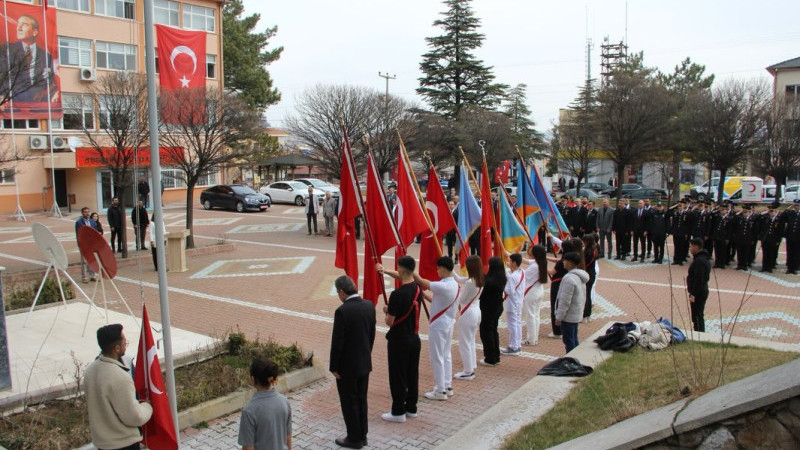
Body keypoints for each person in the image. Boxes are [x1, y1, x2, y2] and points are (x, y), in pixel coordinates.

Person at [84, 324, 152, 450]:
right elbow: (134, 417)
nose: (126, 344)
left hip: (102, 444)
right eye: (125, 342)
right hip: (123, 443)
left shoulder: (90, 371)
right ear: (116, 348)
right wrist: (148, 406)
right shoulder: (120, 377)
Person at [329, 276, 375, 449]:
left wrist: (334, 366)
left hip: (347, 367)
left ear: (342, 291)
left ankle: (354, 438)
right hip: (364, 363)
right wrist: (366, 354)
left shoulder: (342, 311)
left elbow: (338, 342)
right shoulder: (369, 306)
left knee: (349, 401)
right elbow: (371, 335)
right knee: (362, 399)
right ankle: (363, 435)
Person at [376, 256, 421, 423]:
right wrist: (385, 271)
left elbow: (390, 321)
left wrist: (387, 311)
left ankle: (398, 411)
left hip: (399, 341)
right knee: (412, 374)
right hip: (414, 339)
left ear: (401, 269)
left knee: (397, 376)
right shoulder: (417, 289)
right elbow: (402, 276)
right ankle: (411, 408)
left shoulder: (396, 294)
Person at [412, 256, 459, 401]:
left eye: (438, 268)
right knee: (446, 355)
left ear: (444, 269)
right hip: (448, 322)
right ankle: (447, 385)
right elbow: (439, 300)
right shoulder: (454, 284)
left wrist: (411, 269)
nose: (437, 271)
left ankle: (440, 390)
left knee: (437, 357)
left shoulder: (443, 285)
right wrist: (424, 296)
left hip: (439, 325)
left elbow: (421, 280)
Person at [1, 14, 57, 105]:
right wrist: (2, 96)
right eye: (18, 24)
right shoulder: (8, 51)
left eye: (24, 25)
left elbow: (51, 82)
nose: (18, 28)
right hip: (12, 105)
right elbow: (2, 75)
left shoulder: (46, 56)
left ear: (34, 32)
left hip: (39, 106)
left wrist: (55, 93)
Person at [238, 358, 292, 450]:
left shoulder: (249, 411)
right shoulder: (285, 402)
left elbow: (248, 448)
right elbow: (288, 438)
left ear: (252, 379)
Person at [451, 255, 483, 380]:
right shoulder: (478, 279)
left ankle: (468, 371)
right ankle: (471, 365)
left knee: (465, 343)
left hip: (468, 313)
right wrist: (451, 269)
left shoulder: (470, 283)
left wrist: (457, 290)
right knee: (470, 341)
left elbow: (462, 299)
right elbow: (458, 278)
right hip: (476, 311)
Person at [554, 252, 589, 353]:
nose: (563, 262)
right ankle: (576, 359)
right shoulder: (580, 276)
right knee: (573, 338)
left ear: (569, 263)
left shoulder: (569, 278)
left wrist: (559, 317)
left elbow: (564, 300)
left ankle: (572, 362)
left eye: (565, 260)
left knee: (569, 341)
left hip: (568, 316)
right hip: (576, 313)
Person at [478, 256, 506, 366]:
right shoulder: (501, 278)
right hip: (497, 307)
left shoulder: (490, 282)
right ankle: (496, 356)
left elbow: (482, 294)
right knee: (493, 331)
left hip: (488, 309)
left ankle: (490, 357)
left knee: (486, 332)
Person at [521, 244, 548, 345]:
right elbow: (526, 261)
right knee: (536, 315)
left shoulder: (535, 267)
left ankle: (531, 339)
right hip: (539, 291)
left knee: (530, 315)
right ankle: (534, 338)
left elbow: (523, 275)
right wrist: (510, 255)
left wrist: (513, 268)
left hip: (532, 293)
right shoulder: (541, 262)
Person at [501, 253, 525, 356]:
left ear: (514, 263)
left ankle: (514, 346)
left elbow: (509, 291)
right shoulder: (522, 272)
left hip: (513, 302)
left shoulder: (513, 277)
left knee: (512, 325)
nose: (508, 263)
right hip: (519, 301)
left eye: (510, 261)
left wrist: (503, 288)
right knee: (517, 323)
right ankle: (517, 344)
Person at [687, 238, 711, 332]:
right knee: (698, 315)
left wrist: (693, 294)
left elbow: (698, 279)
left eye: (691, 246)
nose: (690, 248)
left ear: (696, 247)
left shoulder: (699, 261)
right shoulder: (702, 258)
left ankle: (699, 333)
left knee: (697, 316)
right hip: (701, 290)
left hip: (699, 292)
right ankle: (699, 332)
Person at [75, 206, 97, 283]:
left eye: (88, 211)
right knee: (84, 261)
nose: (87, 213)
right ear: (82, 213)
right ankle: (84, 277)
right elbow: (78, 234)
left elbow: (95, 232)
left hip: (91, 244)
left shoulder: (92, 222)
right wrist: (79, 244)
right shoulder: (79, 222)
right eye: (85, 212)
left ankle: (92, 275)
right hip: (83, 244)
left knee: (91, 260)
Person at [759, 204, 783, 273]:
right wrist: (764, 212)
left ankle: (769, 267)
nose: (771, 213)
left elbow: (780, 231)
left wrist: (778, 240)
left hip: (773, 240)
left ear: (775, 211)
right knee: (765, 253)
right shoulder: (765, 219)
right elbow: (760, 222)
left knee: (771, 254)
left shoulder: (778, 220)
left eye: (772, 211)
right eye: (770, 211)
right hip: (765, 239)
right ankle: (764, 267)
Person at [581, 234, 598, 323]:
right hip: (592, 274)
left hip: (587, 274)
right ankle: (588, 315)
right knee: (588, 294)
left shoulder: (586, 252)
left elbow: (583, 263)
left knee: (585, 295)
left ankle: (584, 315)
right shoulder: (594, 250)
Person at [781, 200, 800, 274]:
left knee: (797, 253)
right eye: (795, 205)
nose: (796, 207)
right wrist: (788, 208)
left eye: (797, 205)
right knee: (789, 252)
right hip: (790, 236)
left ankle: (795, 268)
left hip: (798, 237)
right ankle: (789, 267)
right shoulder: (790, 213)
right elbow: (782, 217)